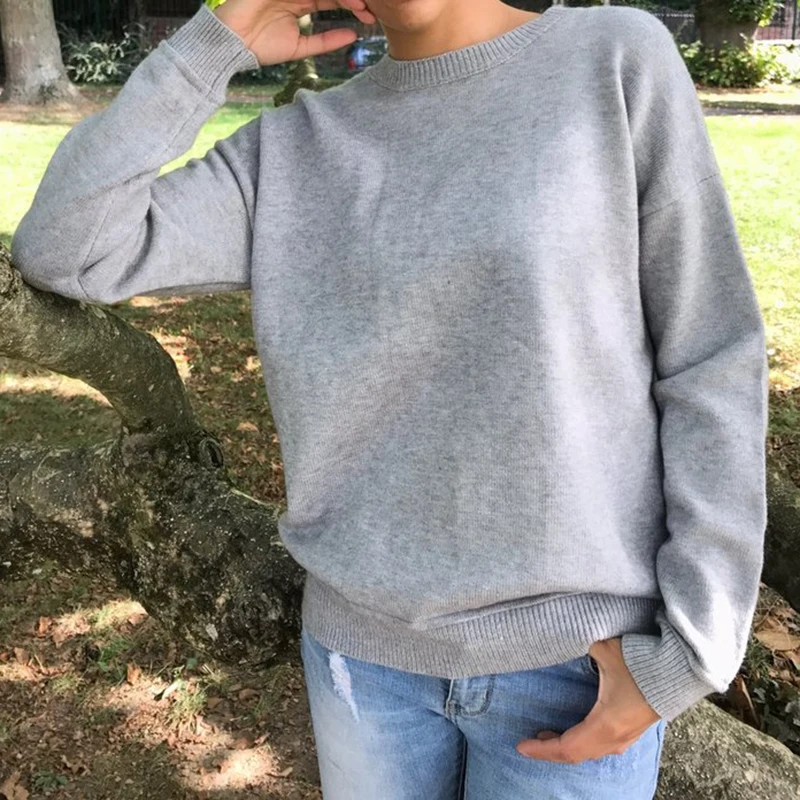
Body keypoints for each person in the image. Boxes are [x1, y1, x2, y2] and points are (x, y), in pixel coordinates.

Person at [11, 0, 769, 797]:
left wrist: (692, 650)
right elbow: (68, 248)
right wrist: (217, 41)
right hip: (362, 665)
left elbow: (710, 350)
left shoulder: (612, 58)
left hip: (577, 662)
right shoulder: (292, 149)